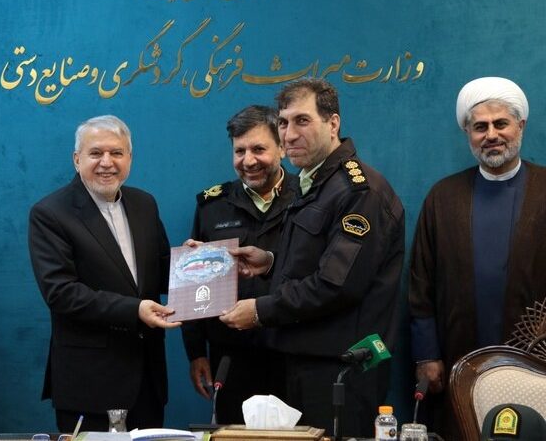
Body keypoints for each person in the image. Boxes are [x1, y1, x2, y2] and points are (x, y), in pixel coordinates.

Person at [220, 79, 404, 437]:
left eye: (302, 121)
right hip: (304, 366)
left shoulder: (359, 191)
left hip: (340, 374)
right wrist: (271, 262)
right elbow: (320, 260)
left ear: (332, 124)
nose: (289, 135)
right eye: (283, 123)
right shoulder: (317, 183)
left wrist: (259, 310)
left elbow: (336, 286)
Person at [409, 76, 546, 439]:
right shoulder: (443, 197)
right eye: (480, 127)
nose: (491, 135)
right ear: (467, 133)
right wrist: (427, 355)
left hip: (537, 362)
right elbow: (421, 284)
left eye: (501, 124)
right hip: (458, 358)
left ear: (521, 125)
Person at [28, 115, 180, 433]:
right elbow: (61, 293)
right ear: (77, 159)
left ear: (130, 158)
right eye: (96, 153)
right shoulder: (50, 213)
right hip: (90, 385)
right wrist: (135, 310)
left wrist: (198, 263)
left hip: (147, 382)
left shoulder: (144, 204)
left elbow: (164, 272)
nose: (107, 162)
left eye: (116, 153)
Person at [181, 105, 298, 423]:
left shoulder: (308, 199)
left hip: (293, 353)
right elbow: (195, 286)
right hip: (231, 358)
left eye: (259, 149)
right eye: (239, 151)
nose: (248, 160)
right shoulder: (212, 206)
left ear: (282, 148)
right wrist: (196, 353)